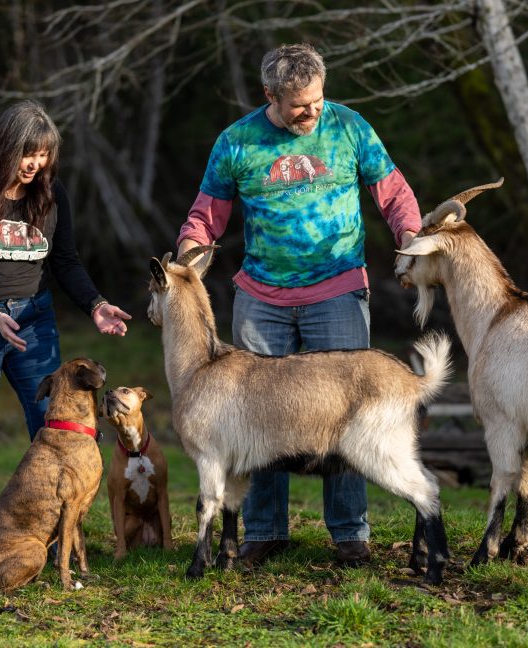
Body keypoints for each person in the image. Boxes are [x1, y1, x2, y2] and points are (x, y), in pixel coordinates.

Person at [176, 43, 422, 568]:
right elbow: (206, 216)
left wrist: (411, 238)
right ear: (270, 95)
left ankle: (349, 534)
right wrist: (187, 255)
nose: (311, 111)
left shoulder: (350, 127)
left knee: (347, 416)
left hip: (337, 293)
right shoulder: (237, 141)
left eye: (316, 100)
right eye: (298, 105)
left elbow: (394, 193)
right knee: (257, 420)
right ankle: (264, 531)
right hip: (260, 299)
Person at [0, 99, 131, 581]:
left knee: (53, 430)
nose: (35, 164)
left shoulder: (51, 194)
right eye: (28, 153)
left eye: (44, 155)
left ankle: (65, 546)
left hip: (33, 323)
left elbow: (65, 262)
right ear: (6, 146)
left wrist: (96, 305)